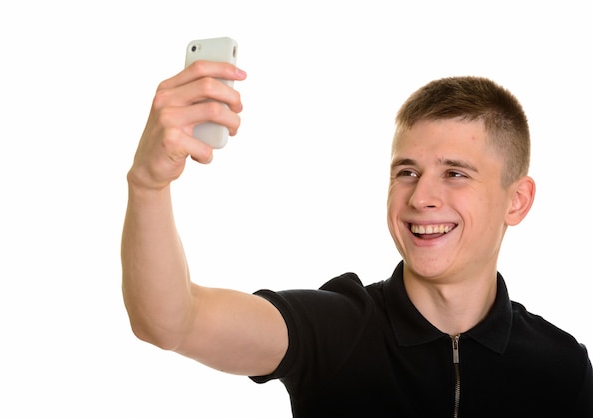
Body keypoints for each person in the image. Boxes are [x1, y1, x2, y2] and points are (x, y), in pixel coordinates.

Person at [121, 60, 593, 417]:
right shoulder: (333, 331)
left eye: (455, 173)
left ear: (517, 200)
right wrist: (148, 185)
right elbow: (171, 321)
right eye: (406, 171)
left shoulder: (562, 367)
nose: (421, 196)